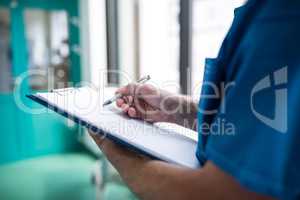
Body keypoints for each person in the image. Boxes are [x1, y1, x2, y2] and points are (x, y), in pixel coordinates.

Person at [90, 0, 300, 199]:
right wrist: (175, 109)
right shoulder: (265, 13)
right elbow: (255, 125)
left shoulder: (282, 18)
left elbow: (218, 194)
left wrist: (117, 152)